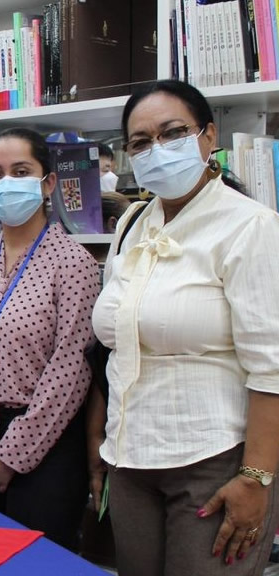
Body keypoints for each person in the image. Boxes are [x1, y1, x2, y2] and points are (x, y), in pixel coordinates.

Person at [94, 79, 279, 575]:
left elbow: (273, 369)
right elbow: (113, 347)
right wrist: (104, 451)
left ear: (209, 136)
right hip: (130, 459)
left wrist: (256, 478)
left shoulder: (252, 226)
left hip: (215, 459)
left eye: (172, 132)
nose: (157, 150)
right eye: (140, 142)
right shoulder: (132, 223)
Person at [0, 127, 100, 550]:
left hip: (44, 449)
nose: (5, 182)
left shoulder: (74, 262)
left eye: (20, 171)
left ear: (47, 183)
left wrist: (10, 458)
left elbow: (71, 372)